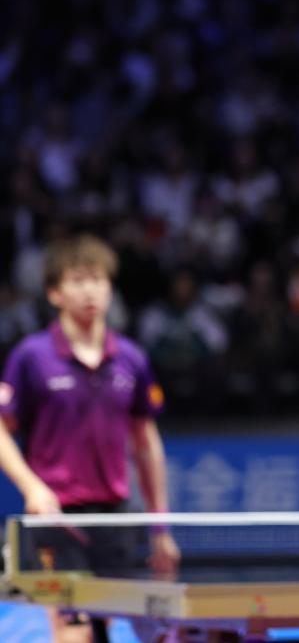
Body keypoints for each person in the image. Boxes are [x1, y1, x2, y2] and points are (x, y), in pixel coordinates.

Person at [0, 234, 180, 643]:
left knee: (127, 629)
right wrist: (32, 488)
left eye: (98, 280)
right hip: (57, 518)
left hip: (116, 517)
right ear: (55, 293)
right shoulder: (32, 356)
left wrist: (161, 528)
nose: (90, 291)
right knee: (76, 635)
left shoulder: (131, 358)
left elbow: (146, 444)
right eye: (78, 280)